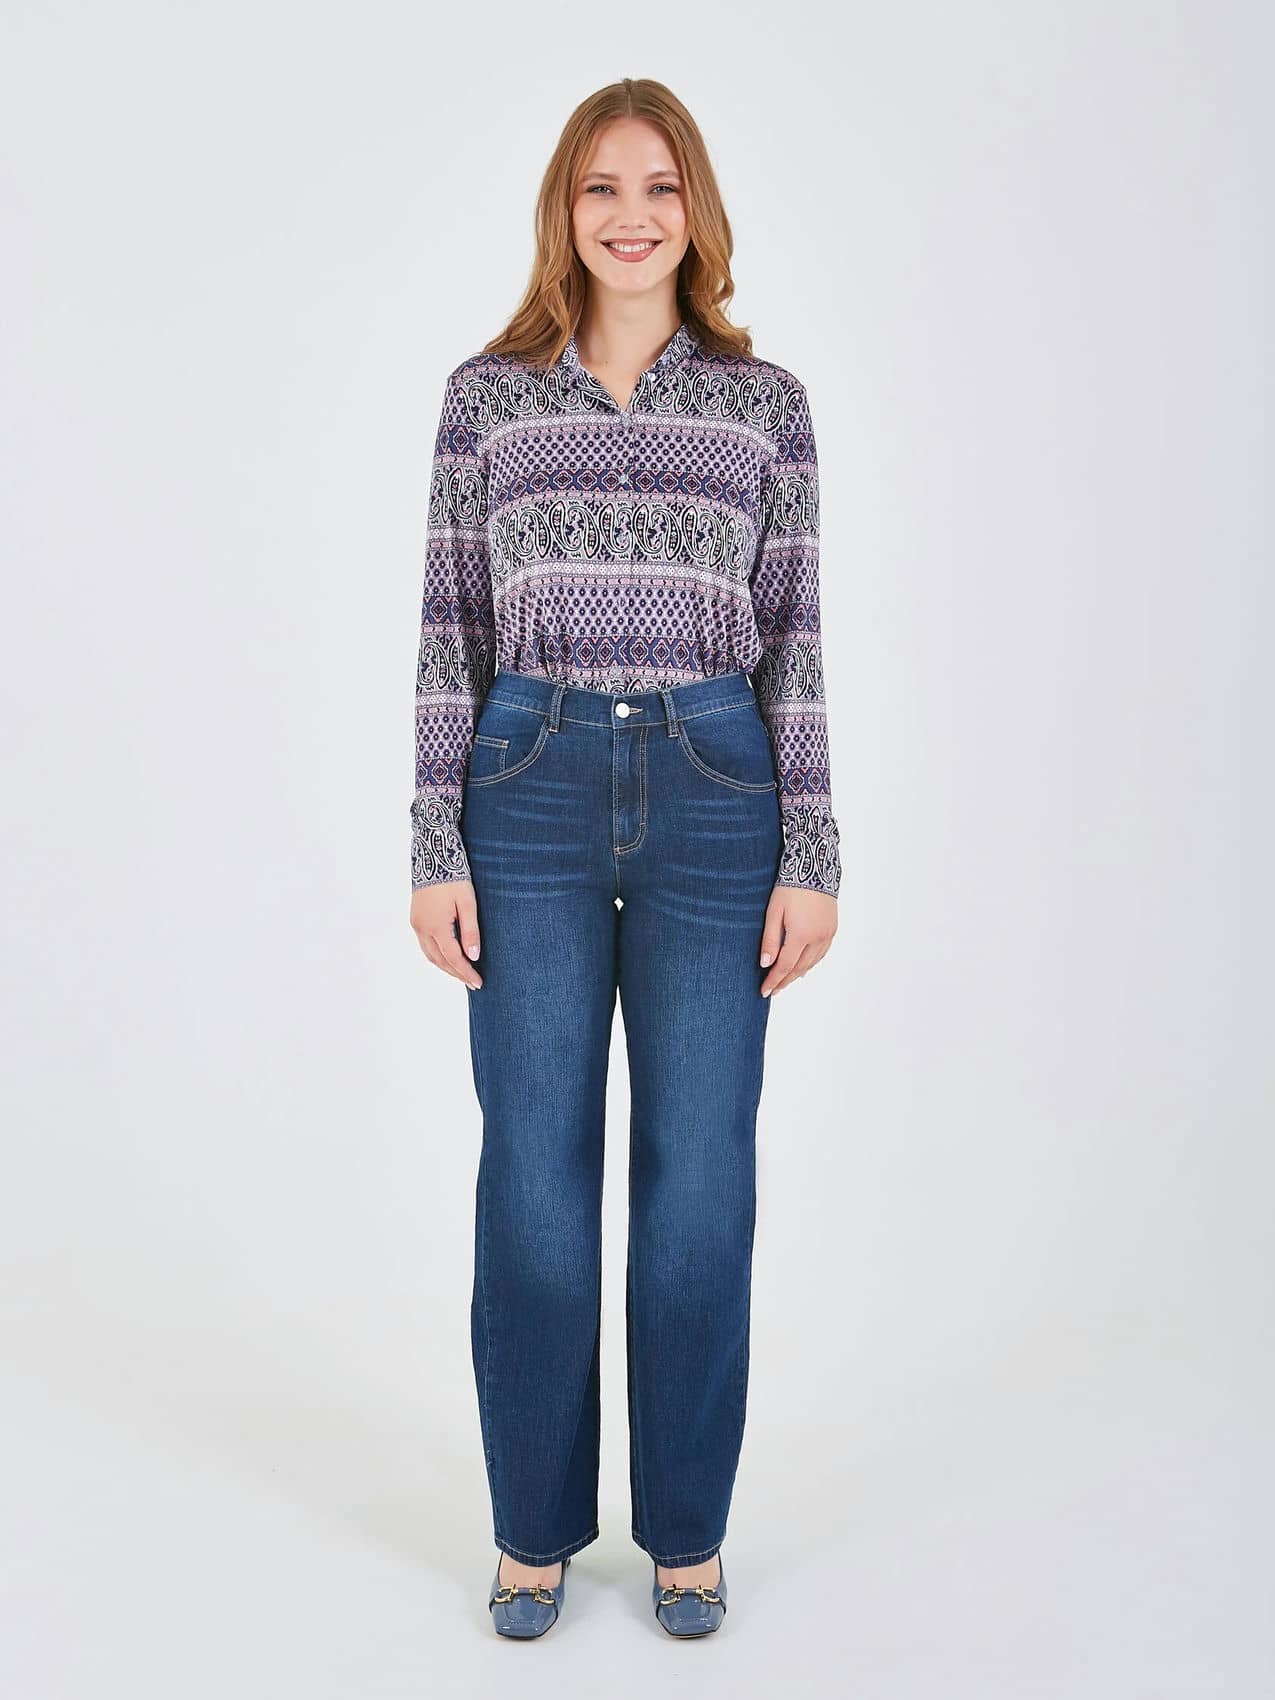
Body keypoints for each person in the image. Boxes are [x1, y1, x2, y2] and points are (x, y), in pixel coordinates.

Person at [408, 77, 841, 1640]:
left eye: (659, 186)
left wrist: (812, 849)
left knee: (699, 1176)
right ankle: (532, 1525)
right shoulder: (487, 399)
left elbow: (795, 633)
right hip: (524, 780)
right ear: (565, 211)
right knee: (533, 1175)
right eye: (601, 187)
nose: (631, 214)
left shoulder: (765, 404)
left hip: (718, 782)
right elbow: (449, 622)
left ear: (695, 209)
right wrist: (432, 840)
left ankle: (686, 1529)